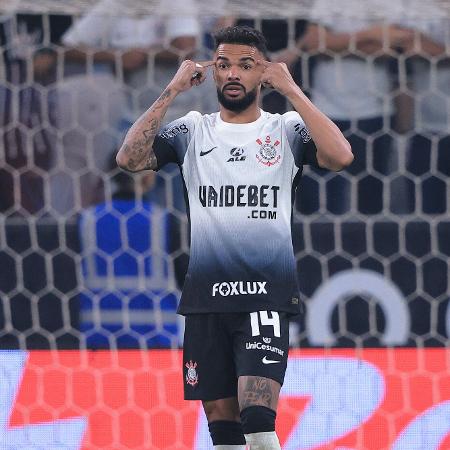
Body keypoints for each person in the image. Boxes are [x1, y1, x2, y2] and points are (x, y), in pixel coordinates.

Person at [116, 26, 352, 449]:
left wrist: (293, 90)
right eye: (223, 64)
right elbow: (129, 158)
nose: (232, 74)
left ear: (264, 73)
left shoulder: (286, 128)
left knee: (259, 423)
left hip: (263, 297)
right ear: (213, 71)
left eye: (246, 65)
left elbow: (340, 156)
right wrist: (171, 89)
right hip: (206, 300)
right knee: (223, 431)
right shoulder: (192, 130)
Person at [277, 0, 415, 214]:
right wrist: (371, 34)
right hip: (325, 111)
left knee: (371, 201)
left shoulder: (391, 3)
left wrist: (334, 42)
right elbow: (314, 42)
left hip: (375, 111)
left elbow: (389, 48)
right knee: (322, 204)